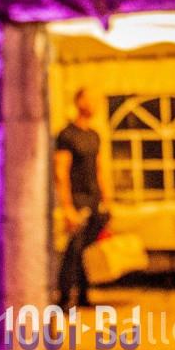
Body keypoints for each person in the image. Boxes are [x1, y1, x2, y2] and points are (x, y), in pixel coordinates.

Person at [54, 88, 112, 309]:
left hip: (93, 197)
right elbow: (61, 172)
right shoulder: (67, 135)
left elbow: (99, 169)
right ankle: (64, 296)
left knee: (87, 248)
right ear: (80, 101)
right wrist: (67, 206)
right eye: (91, 99)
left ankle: (84, 294)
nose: (95, 104)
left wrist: (107, 198)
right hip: (77, 199)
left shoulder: (94, 135)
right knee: (74, 247)